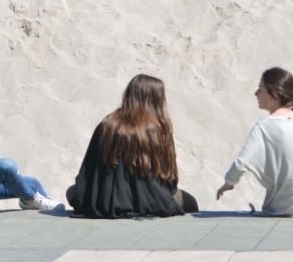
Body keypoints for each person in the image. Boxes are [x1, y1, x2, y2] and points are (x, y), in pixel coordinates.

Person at [67, 74, 198, 218]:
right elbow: (169, 176)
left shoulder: (108, 124)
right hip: (152, 200)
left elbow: (88, 169)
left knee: (71, 192)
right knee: (191, 202)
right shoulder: (157, 127)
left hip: (105, 201)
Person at [217, 67, 293, 217]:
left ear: (274, 95)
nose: (256, 94)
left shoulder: (264, 126)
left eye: (260, 89)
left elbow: (241, 163)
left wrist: (229, 182)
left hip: (291, 208)